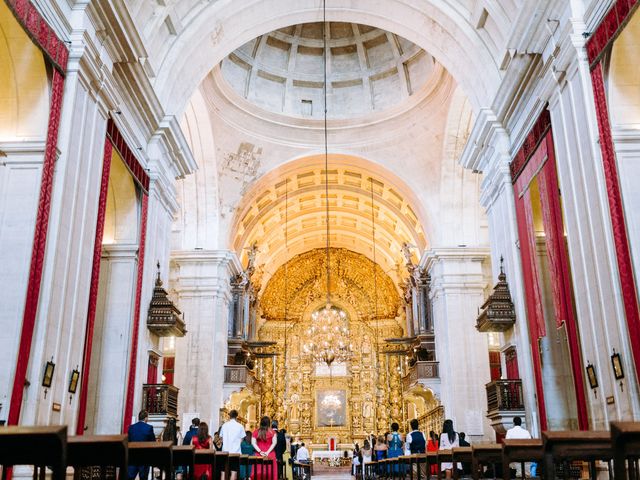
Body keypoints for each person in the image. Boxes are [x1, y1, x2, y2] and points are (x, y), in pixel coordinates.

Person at [128, 410, 156, 480]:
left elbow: (128, 441)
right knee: (143, 477)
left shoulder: (131, 427)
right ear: (146, 418)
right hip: (144, 457)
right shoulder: (149, 427)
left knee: (130, 477)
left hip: (132, 456)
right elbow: (153, 442)